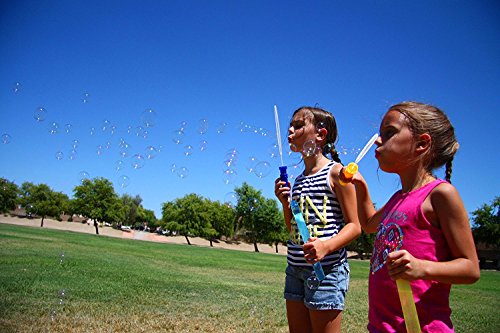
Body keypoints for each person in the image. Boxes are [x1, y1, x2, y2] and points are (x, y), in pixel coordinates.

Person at [338, 101, 480, 332]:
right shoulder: (398, 198)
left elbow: (470, 269)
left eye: (389, 132)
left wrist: (421, 267)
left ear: (422, 144)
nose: (377, 140)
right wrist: (361, 186)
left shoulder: (440, 194)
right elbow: (369, 224)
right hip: (382, 326)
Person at [275, 106, 361, 333]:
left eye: (299, 125)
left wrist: (326, 246)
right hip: (294, 269)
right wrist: (285, 204)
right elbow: (293, 229)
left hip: (327, 271)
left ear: (320, 135)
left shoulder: (336, 174)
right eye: (290, 126)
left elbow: (355, 226)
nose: (291, 130)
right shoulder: (299, 180)